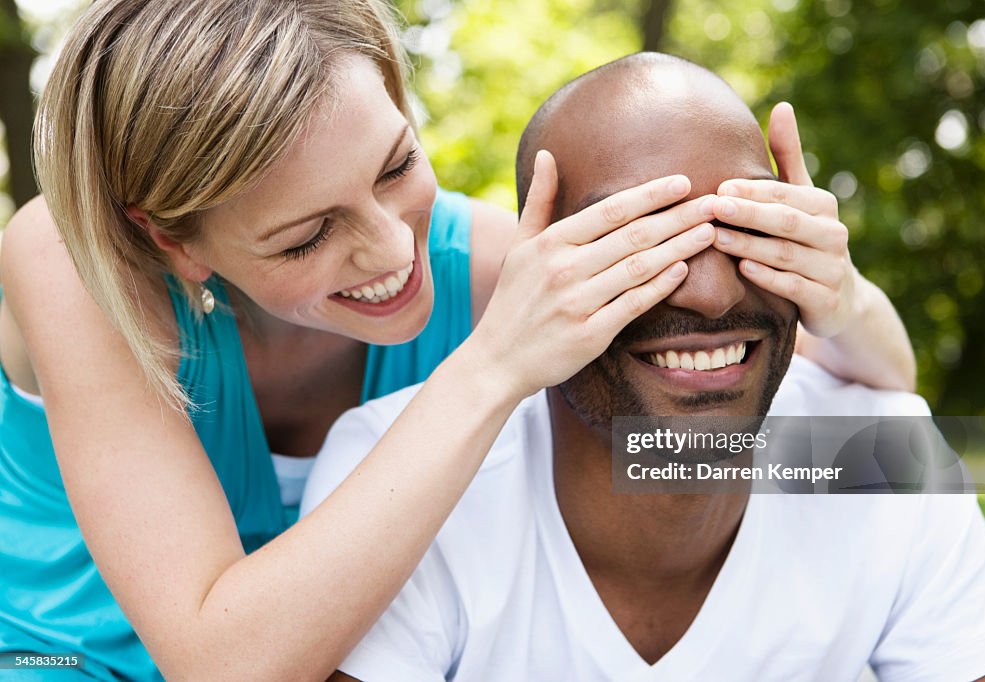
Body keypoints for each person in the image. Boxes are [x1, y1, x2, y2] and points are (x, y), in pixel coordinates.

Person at [0, 1, 913, 679]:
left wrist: (837, 292)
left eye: (397, 166)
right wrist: (492, 368)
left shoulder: (482, 265)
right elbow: (221, 662)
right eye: (306, 235)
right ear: (170, 237)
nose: (394, 250)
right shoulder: (73, 265)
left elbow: (880, 392)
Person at [303, 53, 985, 681]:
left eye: (746, 227)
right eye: (633, 242)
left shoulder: (877, 456)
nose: (711, 295)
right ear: (540, 277)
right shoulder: (398, 485)